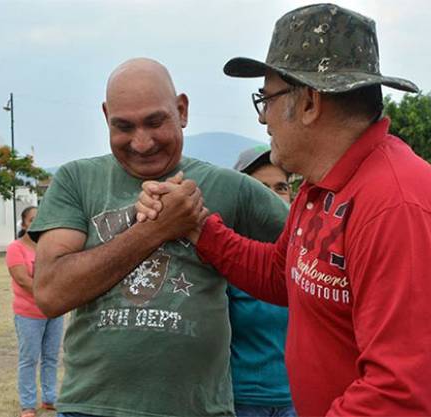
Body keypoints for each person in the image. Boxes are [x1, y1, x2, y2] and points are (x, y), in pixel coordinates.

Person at [136, 4, 431, 416]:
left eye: (267, 98)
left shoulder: (398, 204)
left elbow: (396, 393)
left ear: (311, 102)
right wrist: (197, 225)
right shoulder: (322, 187)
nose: (264, 119)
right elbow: (281, 275)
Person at [27, 58, 288, 417]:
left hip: (199, 409)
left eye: (155, 121)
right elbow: (51, 294)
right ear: (106, 117)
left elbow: (312, 251)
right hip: (91, 407)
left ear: (181, 110)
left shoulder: (231, 188)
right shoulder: (77, 180)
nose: (142, 142)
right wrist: (156, 229)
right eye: (123, 126)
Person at [230, 146, 295, 417]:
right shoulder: (228, 255)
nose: (272, 196)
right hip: (241, 400)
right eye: (261, 187)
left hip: (297, 401)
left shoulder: (305, 254)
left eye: (281, 187)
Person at [6, 206, 64, 417]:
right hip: (28, 313)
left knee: (51, 358)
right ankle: (28, 405)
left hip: (54, 312)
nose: (37, 223)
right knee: (29, 359)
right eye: (32, 220)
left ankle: (50, 398)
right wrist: (48, 294)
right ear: (24, 224)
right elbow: (22, 279)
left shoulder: (51, 248)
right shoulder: (15, 248)